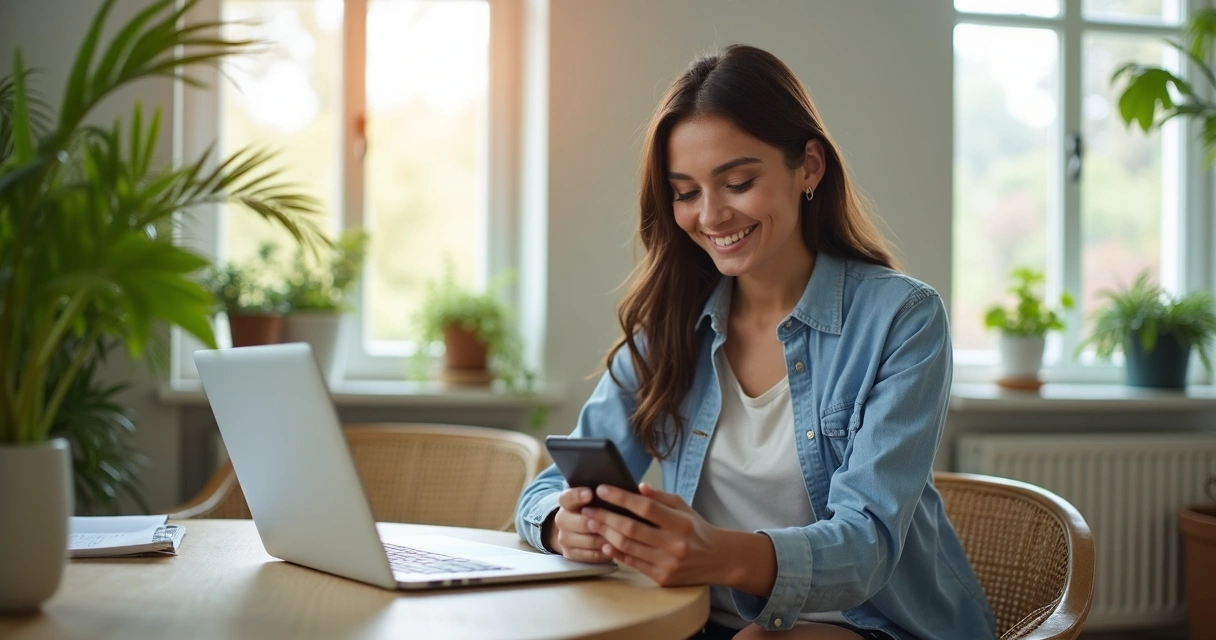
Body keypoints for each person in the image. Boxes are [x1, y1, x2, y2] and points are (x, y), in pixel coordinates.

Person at [514, 44, 995, 640]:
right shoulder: (668, 323)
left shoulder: (903, 318)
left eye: (737, 182)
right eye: (685, 192)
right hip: (701, 620)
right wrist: (563, 525)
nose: (711, 215)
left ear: (809, 167)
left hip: (870, 623)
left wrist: (719, 553)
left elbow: (867, 544)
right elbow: (548, 487)